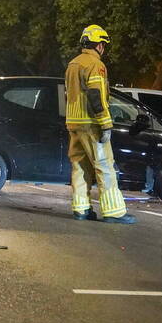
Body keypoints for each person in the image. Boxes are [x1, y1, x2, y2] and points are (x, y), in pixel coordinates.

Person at [64, 24, 135, 224]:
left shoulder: (72, 64)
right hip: (90, 123)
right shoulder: (95, 65)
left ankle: (81, 209)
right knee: (104, 166)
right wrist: (105, 123)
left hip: (74, 122)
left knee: (79, 166)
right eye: (103, 44)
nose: (103, 48)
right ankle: (113, 211)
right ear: (99, 45)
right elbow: (95, 94)